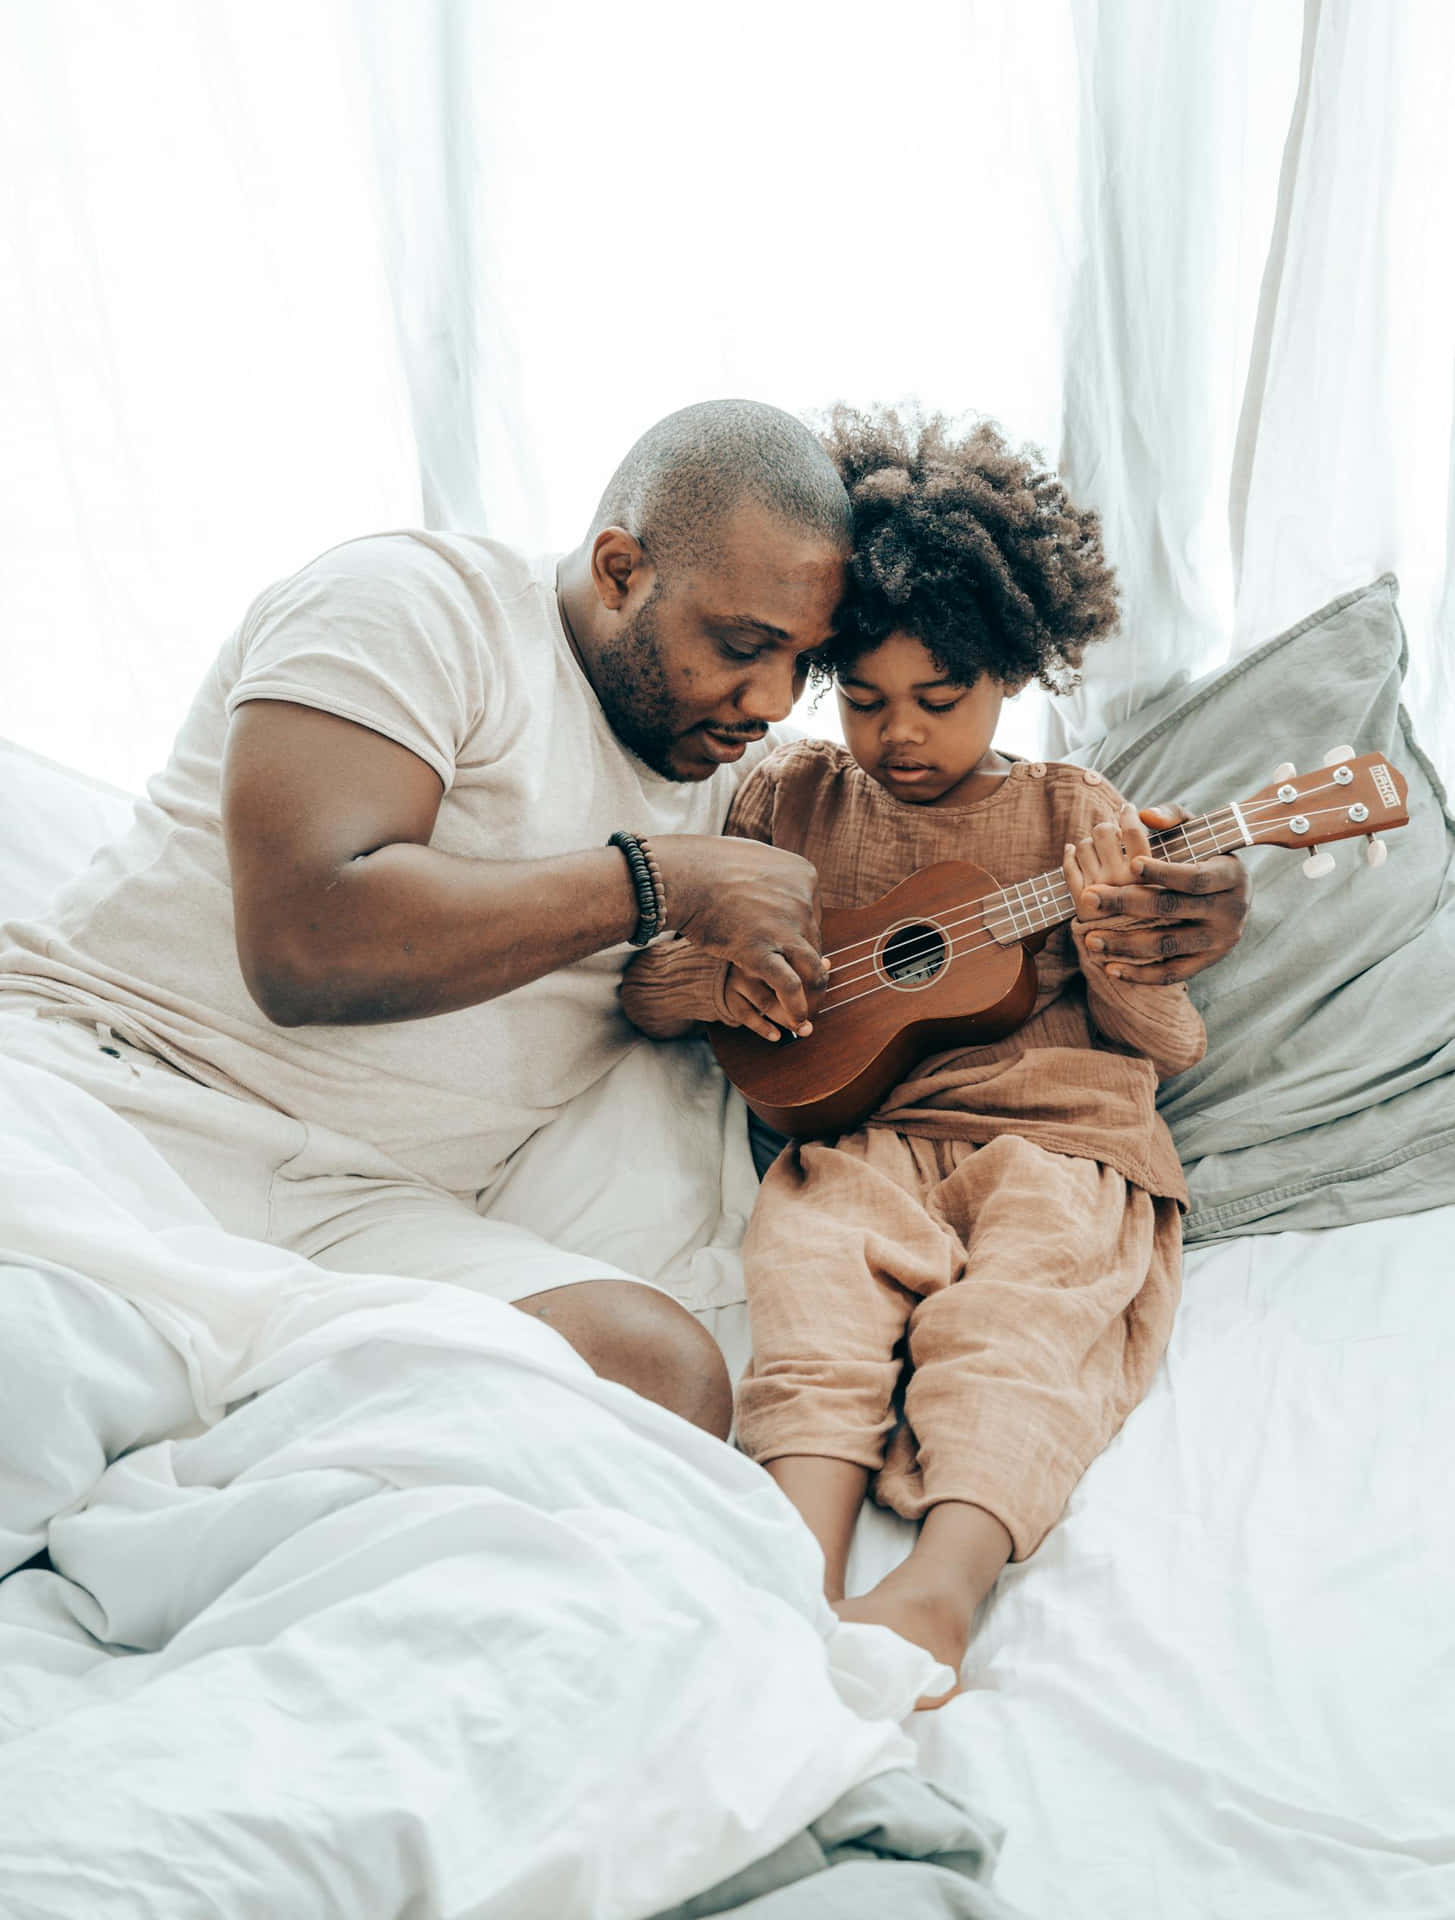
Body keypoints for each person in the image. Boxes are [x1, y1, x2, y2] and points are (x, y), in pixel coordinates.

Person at [0, 400, 1246, 1478]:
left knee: (662, 1383)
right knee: (45, 1376)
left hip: (362, 1216)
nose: (765, 705)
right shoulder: (417, 608)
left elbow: (949, 846)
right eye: (743, 648)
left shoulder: (745, 785)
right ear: (616, 570)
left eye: (801, 667)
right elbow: (306, 943)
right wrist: (657, 880)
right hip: (123, 1101)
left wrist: (1178, 894)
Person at [619, 407, 1209, 1692]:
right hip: (863, 1140)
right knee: (810, 1282)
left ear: (1011, 672)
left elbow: (1166, 1043)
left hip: (1063, 1143)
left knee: (1024, 1324)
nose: (900, 737)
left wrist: (1117, 951)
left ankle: (939, 1589)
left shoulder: (1077, 813)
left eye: (941, 701)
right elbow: (654, 989)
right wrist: (722, 980)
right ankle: (790, 1555)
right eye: (868, 700)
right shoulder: (788, 797)